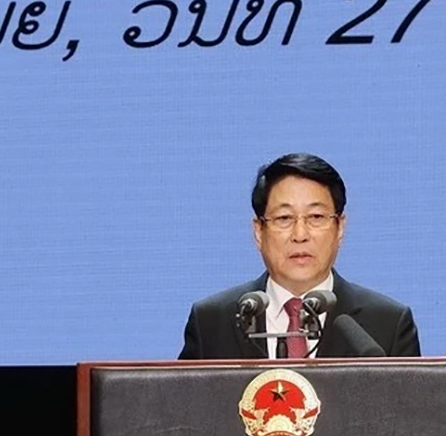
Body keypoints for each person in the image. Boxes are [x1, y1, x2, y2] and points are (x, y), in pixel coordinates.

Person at [178, 152, 421, 359]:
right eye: (284, 218)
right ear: (258, 231)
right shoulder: (211, 321)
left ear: (340, 228)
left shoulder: (387, 324)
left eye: (316, 217)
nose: (300, 235)